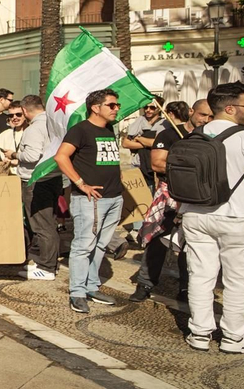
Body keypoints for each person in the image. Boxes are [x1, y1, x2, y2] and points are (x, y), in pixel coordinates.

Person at [178, 82, 244, 354]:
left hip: (196, 214)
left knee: (200, 275)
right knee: (241, 278)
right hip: (238, 215)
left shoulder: (194, 135)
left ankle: (199, 333)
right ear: (230, 108)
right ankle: (233, 337)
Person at [55, 90, 125, 314]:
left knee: (101, 245)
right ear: (96, 108)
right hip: (89, 199)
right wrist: (80, 183)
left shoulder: (109, 129)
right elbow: (61, 156)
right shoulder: (80, 130)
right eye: (112, 105)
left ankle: (91, 286)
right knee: (83, 245)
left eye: (117, 105)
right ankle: (77, 292)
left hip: (114, 197)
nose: (116, 109)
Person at [132, 101, 193, 304]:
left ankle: (186, 287)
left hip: (196, 197)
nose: (206, 120)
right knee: (156, 240)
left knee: (190, 245)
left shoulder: (208, 136)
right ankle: (145, 284)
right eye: (202, 115)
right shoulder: (167, 134)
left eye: (210, 116)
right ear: (192, 112)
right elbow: (157, 164)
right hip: (169, 194)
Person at [16, 96, 59, 281]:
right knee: (49, 222)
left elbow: (32, 155)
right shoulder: (54, 123)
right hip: (54, 177)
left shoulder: (34, 128)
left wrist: (15, 153)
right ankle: (46, 262)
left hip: (36, 180)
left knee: (42, 224)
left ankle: (47, 267)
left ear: (25, 111)